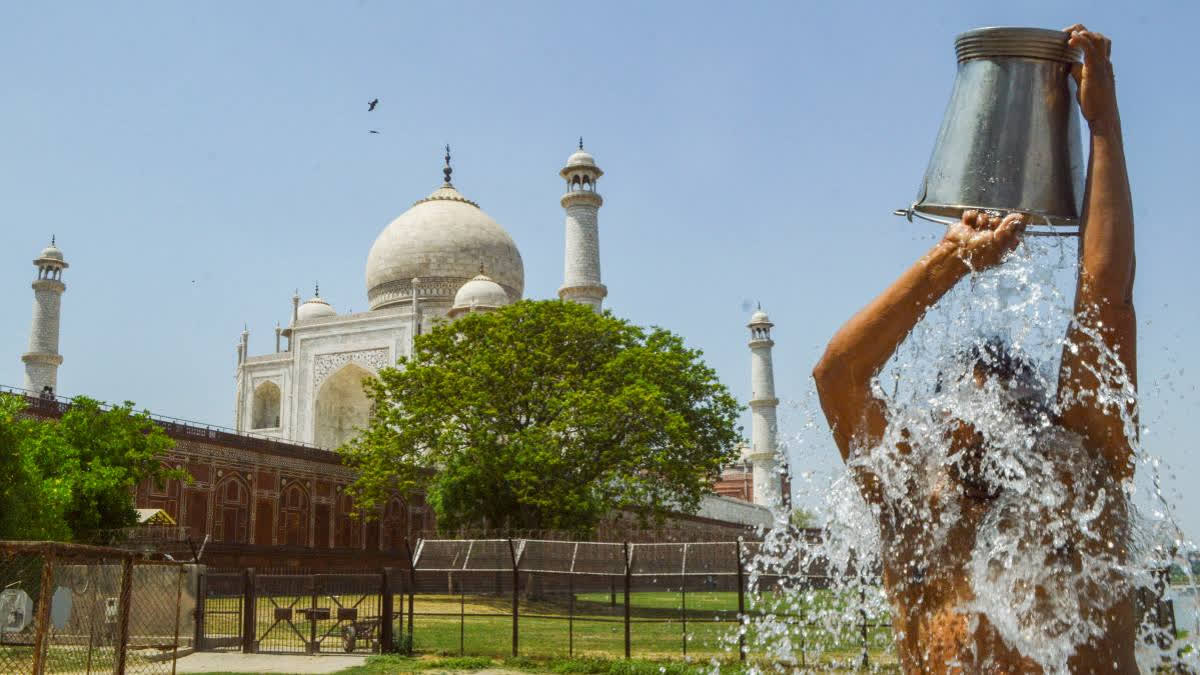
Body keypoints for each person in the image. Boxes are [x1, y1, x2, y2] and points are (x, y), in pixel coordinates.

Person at [812, 25, 1136, 673]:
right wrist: (947, 260)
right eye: (961, 415)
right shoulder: (913, 506)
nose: (971, 425)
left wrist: (1103, 125)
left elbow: (1104, 297)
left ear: (1036, 423)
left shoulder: (1081, 470)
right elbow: (838, 375)